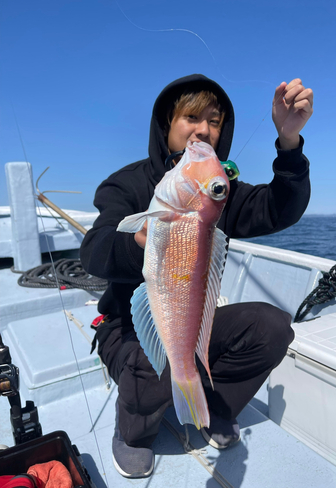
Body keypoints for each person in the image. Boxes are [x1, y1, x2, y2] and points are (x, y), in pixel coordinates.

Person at [80, 74, 313, 478]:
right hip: (125, 327)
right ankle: (132, 433)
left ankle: (209, 405)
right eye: (191, 117)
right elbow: (94, 251)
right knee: (156, 365)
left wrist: (289, 142)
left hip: (185, 315)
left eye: (215, 120)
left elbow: (280, 208)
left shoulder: (217, 190)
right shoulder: (126, 183)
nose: (204, 129)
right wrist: (136, 241)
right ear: (166, 125)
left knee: (272, 328)